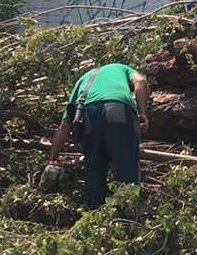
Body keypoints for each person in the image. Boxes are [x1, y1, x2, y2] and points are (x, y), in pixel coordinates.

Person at [43, 63, 150, 209]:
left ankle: (95, 217)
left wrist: (53, 158)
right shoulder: (122, 68)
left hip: (88, 115)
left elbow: (65, 124)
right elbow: (141, 82)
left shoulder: (83, 80)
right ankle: (127, 218)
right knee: (126, 169)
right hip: (117, 110)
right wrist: (142, 113)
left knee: (95, 172)